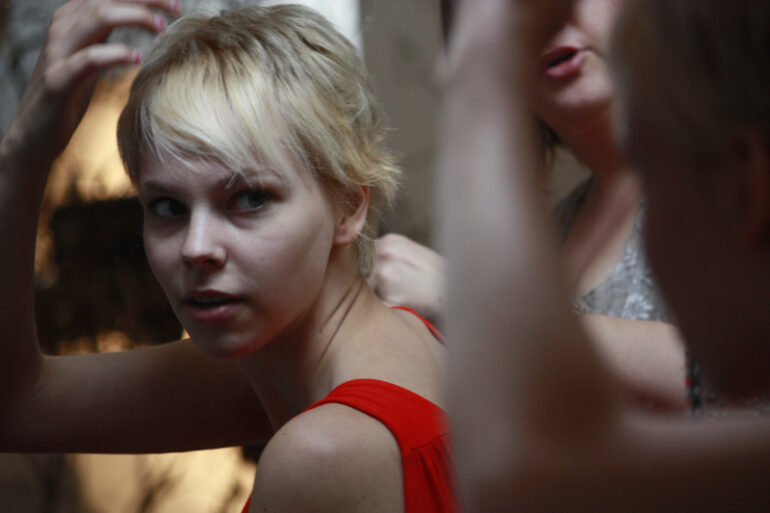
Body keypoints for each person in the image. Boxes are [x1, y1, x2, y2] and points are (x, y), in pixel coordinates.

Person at [0, 2, 455, 512]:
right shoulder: (367, 347)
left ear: (349, 206)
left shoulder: (324, 454)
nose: (197, 248)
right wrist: (24, 156)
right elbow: (17, 407)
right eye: (168, 207)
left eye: (249, 199)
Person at [441, 0, 770, 510]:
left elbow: (519, 471)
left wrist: (479, 76)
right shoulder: (558, 227)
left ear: (748, 183)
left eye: (653, 178)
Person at [370, 0, 687, 413]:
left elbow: (735, 388)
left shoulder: (729, 176)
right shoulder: (554, 231)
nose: (551, 21)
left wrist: (474, 306)